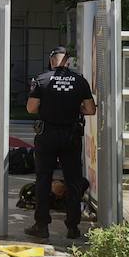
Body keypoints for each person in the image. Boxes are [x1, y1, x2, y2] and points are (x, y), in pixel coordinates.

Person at [24, 46, 96, 241]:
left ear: (51, 60)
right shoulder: (80, 81)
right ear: (68, 62)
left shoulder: (42, 79)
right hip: (71, 135)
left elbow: (31, 108)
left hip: (47, 135)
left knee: (43, 179)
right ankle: (73, 227)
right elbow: (90, 110)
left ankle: (42, 226)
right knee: (73, 181)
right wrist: (76, 107)